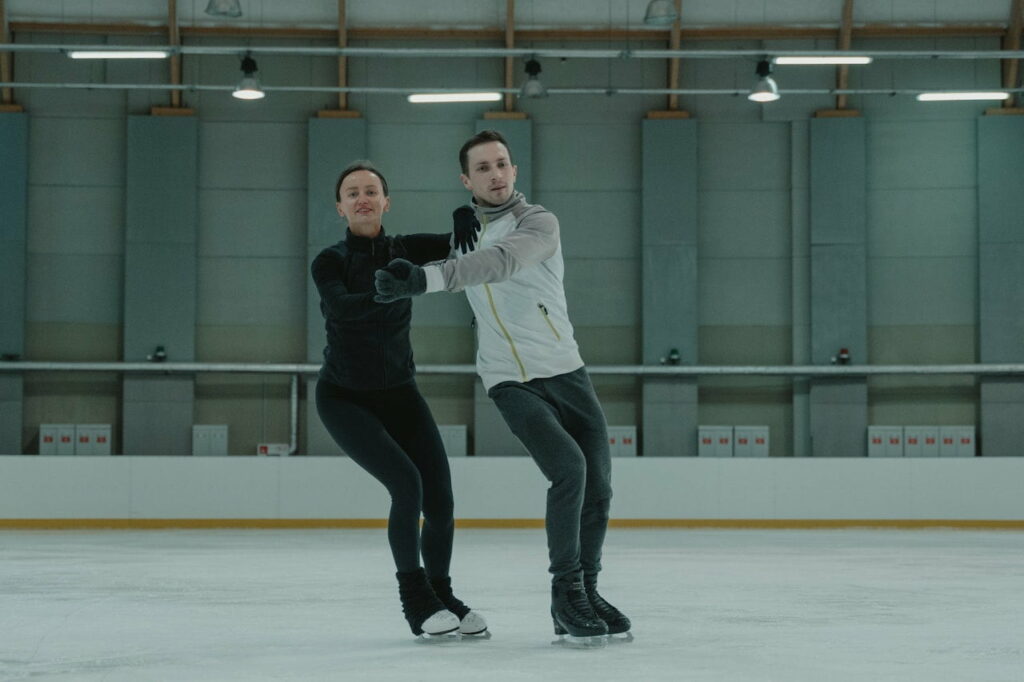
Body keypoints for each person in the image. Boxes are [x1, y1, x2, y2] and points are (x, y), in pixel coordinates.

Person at [374, 131, 630, 644]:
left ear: (514, 170)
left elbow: (502, 262)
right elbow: (423, 249)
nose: (496, 174)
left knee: (599, 488)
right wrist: (440, 244)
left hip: (567, 371)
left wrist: (425, 279)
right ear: (467, 180)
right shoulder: (465, 235)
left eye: (503, 164)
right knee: (569, 470)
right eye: (484, 168)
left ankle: (587, 589)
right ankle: (566, 591)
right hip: (510, 380)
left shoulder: (539, 223)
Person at [311, 161, 486, 639]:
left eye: (371, 191)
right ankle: (415, 600)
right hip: (345, 397)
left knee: (442, 499)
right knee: (406, 485)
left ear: (387, 201)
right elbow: (341, 309)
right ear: (340, 207)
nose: (362, 198)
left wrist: (464, 211)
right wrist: (392, 289)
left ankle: (441, 592)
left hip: (401, 393)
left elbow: (462, 247)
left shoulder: (406, 249)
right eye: (352, 193)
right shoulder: (328, 261)